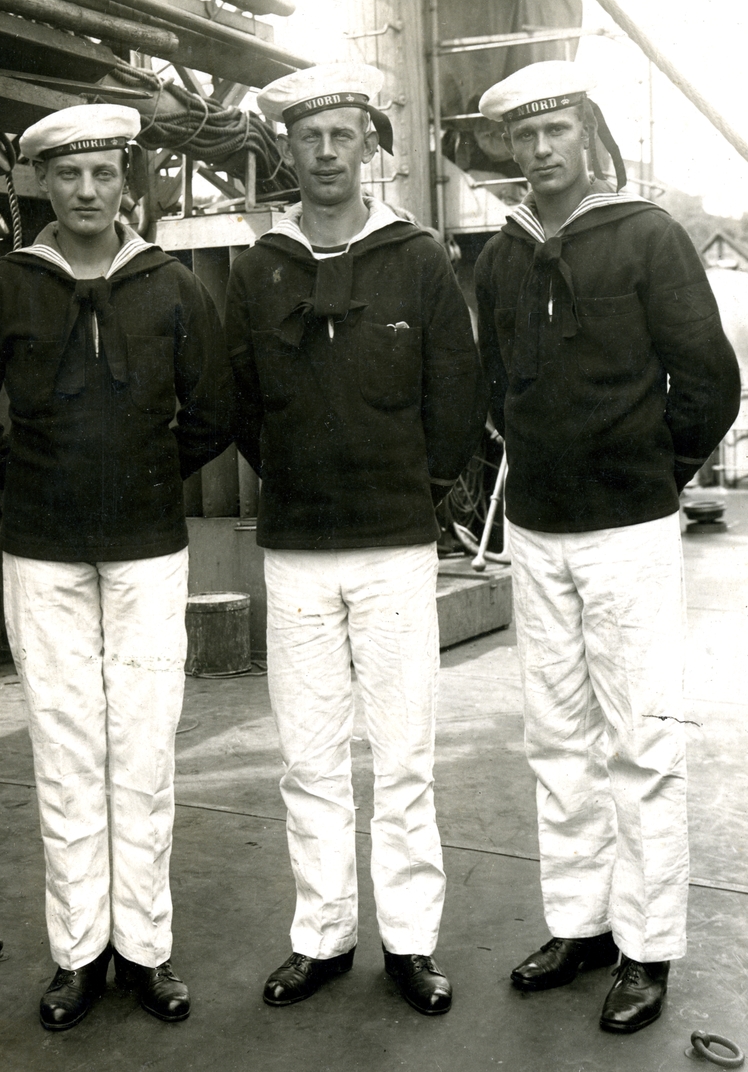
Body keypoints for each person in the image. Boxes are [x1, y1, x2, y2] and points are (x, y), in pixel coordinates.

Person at [0, 104, 234, 1031]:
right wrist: (33, 476)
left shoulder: (172, 287)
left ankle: (146, 951)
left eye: (103, 173)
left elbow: (213, 414)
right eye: (68, 175)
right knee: (65, 755)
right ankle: (78, 957)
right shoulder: (7, 287)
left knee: (142, 749)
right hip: (44, 556)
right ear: (42, 183)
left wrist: (143, 476)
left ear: (127, 181)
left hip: (148, 555)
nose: (88, 191)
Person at [474, 61, 741, 1033]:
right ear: (510, 148)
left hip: (628, 531)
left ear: (588, 134)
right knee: (557, 739)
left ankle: (647, 945)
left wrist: (651, 472)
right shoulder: (502, 256)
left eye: (557, 130)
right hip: (539, 531)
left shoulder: (646, 236)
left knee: (641, 741)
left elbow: (710, 381)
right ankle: (580, 925)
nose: (542, 149)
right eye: (525, 135)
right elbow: (499, 384)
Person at [225, 62, 488, 1016]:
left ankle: (410, 942)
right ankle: (323, 936)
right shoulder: (259, 268)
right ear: (287, 151)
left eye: (343, 134)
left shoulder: (415, 257)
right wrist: (298, 478)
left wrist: (416, 489)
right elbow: (243, 402)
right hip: (297, 549)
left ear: (369, 145)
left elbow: (456, 392)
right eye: (310, 137)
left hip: (393, 547)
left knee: (404, 755)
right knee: (309, 757)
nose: (328, 152)